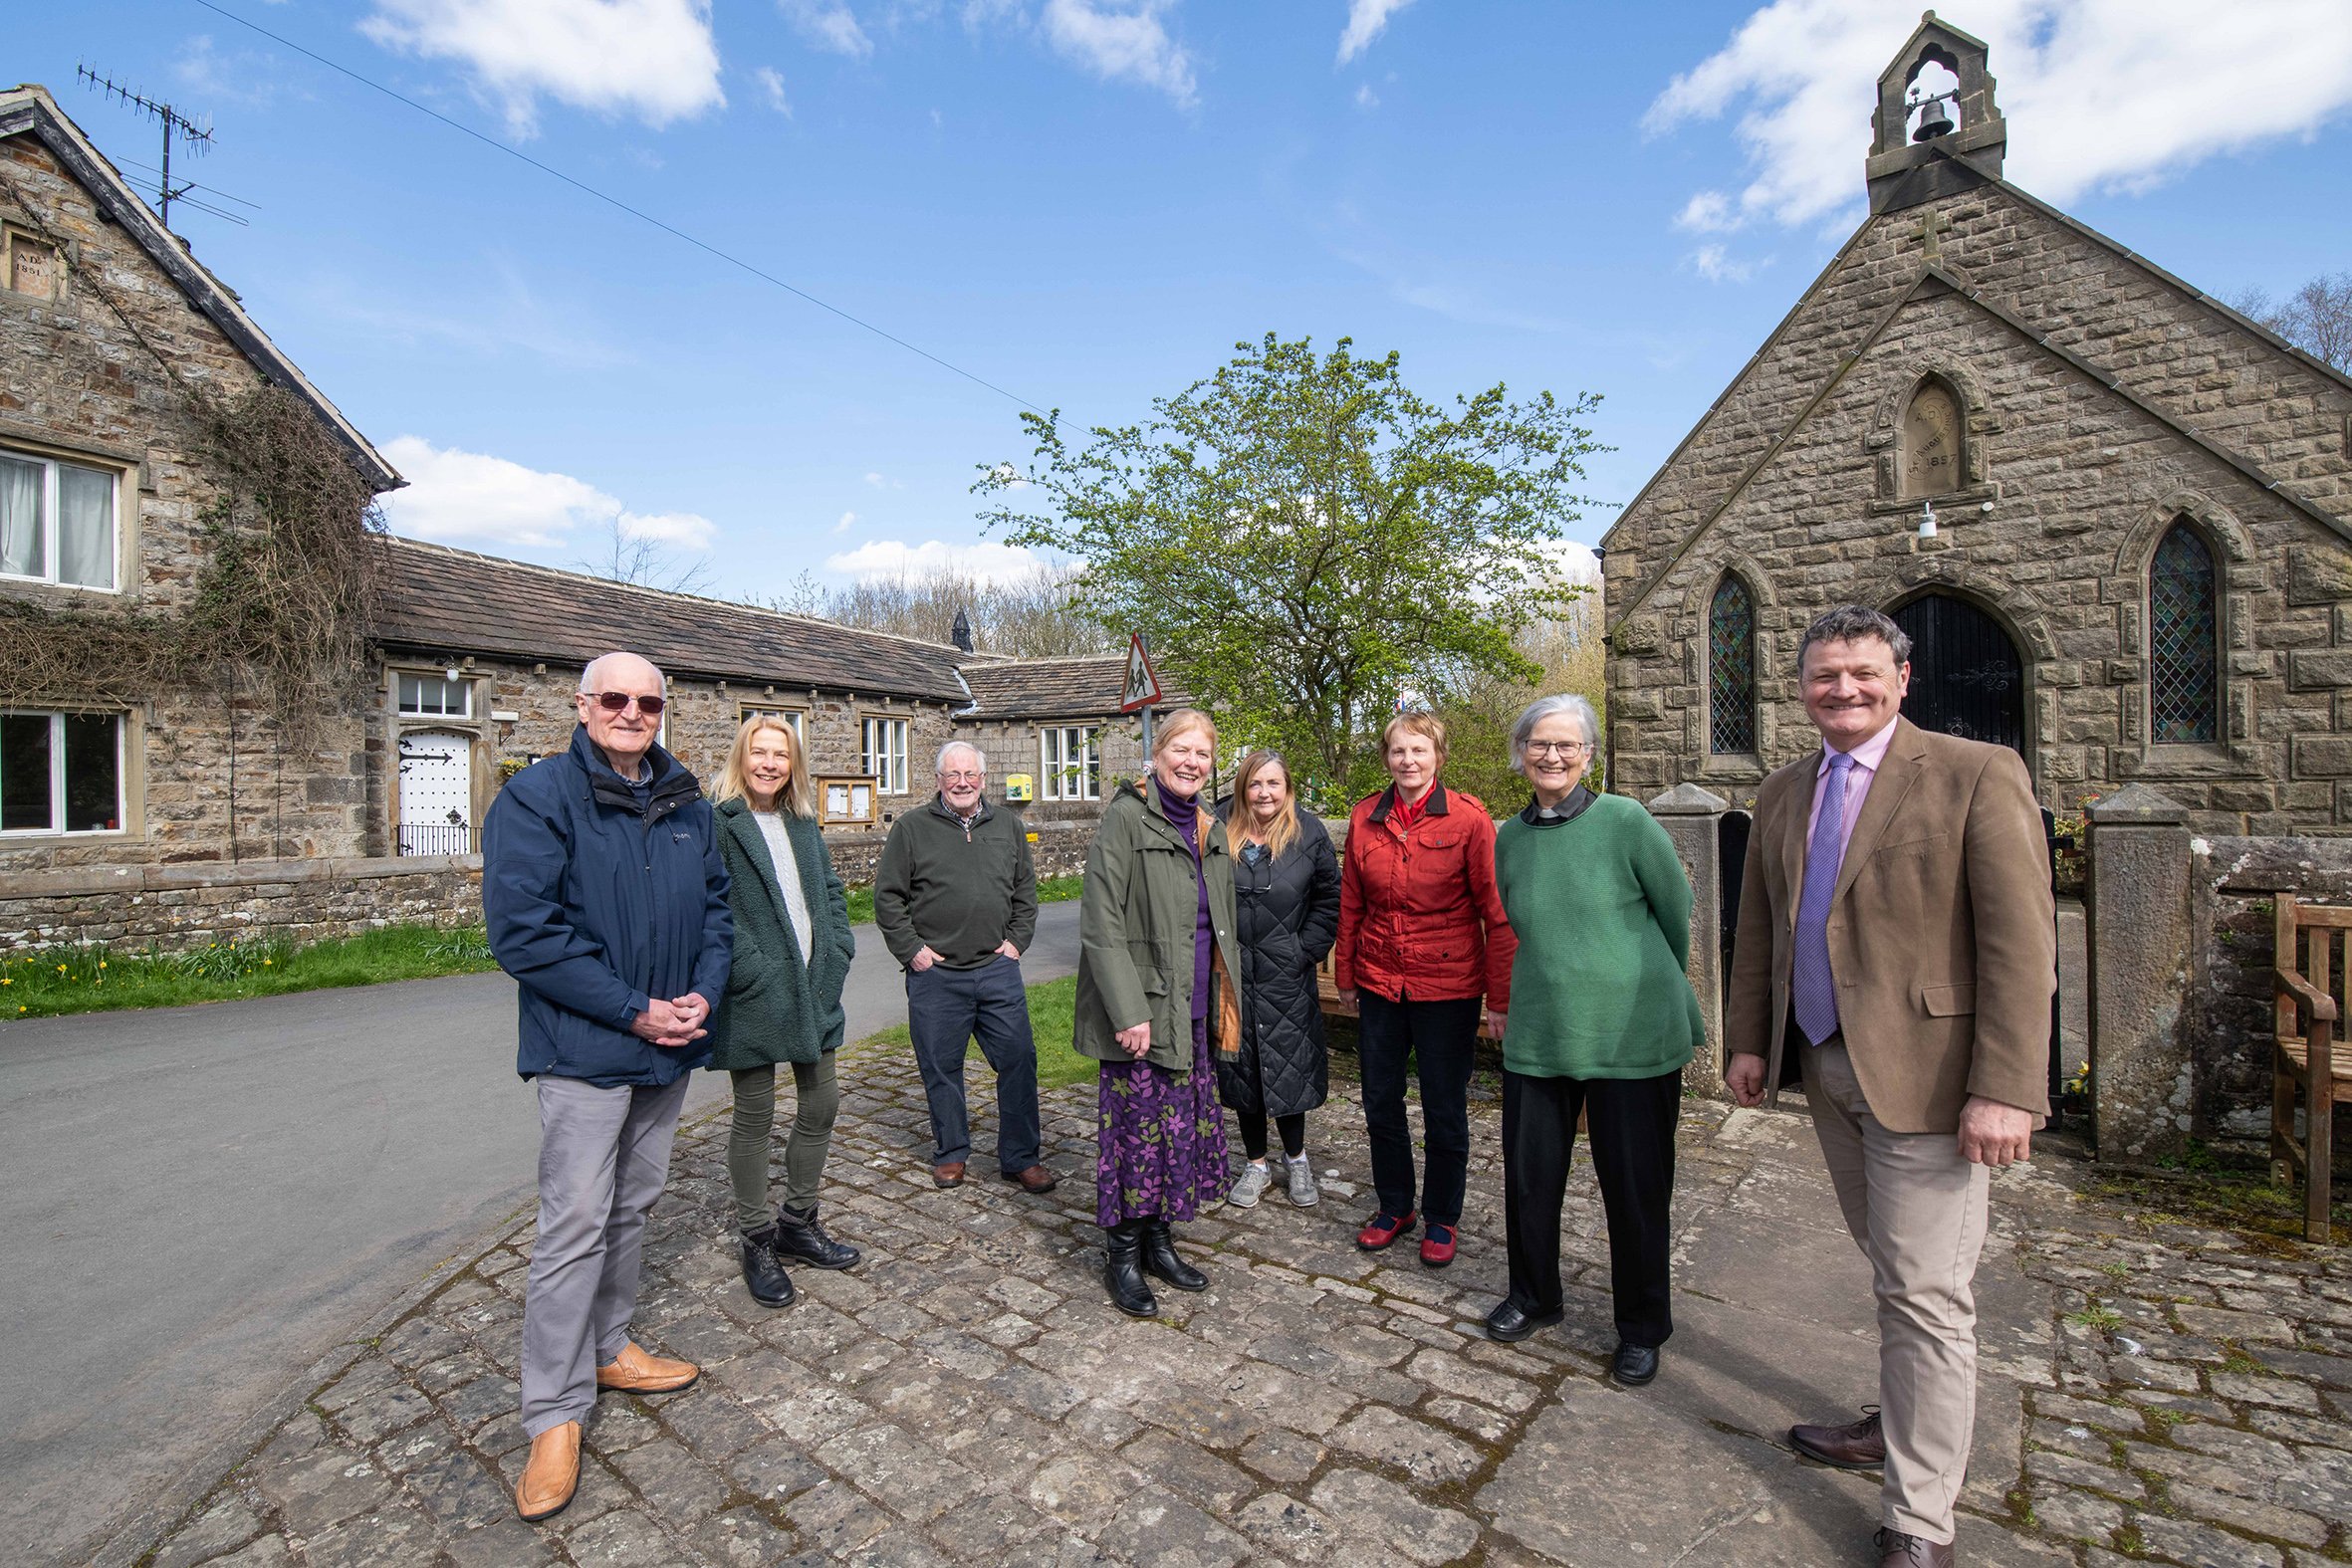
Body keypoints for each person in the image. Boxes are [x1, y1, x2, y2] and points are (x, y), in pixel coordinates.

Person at [1725, 605, 2055, 1568]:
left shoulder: (1974, 773)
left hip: (1932, 1080)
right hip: (1828, 1069)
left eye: (1863, 674)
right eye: (1825, 676)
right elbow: (1763, 929)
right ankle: (1900, 1419)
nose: (1844, 691)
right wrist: (1753, 1043)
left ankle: (1920, 1519)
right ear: (1802, 686)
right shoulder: (1787, 789)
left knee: (1926, 1293)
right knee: (1895, 1270)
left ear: (1901, 678)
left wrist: (2005, 1087)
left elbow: (2020, 946)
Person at [482, 652, 732, 1524]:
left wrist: (704, 989)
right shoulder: (539, 796)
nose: (633, 711)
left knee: (633, 1206)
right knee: (574, 1222)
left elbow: (716, 911)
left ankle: (609, 1345)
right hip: (586, 1048)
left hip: (667, 1046)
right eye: (616, 698)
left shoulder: (684, 800)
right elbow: (524, 932)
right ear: (583, 705)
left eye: (649, 701)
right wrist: (634, 1011)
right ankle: (553, 1413)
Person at [1484, 694, 1703, 1390]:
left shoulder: (1625, 821)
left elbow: (1677, 912)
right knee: (1529, 1176)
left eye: (1566, 745)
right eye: (1539, 744)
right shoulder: (1507, 837)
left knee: (1636, 1189)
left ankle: (1641, 1327)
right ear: (1521, 752)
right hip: (1542, 1029)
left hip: (1630, 1033)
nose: (1551, 756)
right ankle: (1534, 1294)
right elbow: (1526, 923)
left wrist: (1636, 985)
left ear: (1588, 755)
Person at [1073, 708, 1242, 1316]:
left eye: (1202, 754)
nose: (1192, 763)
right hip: (1141, 1011)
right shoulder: (1124, 819)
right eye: (1181, 750)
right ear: (1157, 753)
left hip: (1192, 1006)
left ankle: (1160, 1242)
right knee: (1135, 1134)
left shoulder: (1208, 827)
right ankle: (1122, 1254)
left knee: (1176, 1133)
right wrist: (1128, 1008)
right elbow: (1101, 923)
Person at [1333, 712, 1516, 1268]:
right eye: (1397, 751)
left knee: (1443, 1106)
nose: (1407, 761)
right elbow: (1351, 903)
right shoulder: (1366, 816)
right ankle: (1395, 1206)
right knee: (1380, 1100)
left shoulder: (1468, 819)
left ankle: (1441, 1216)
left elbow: (1497, 914)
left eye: (1419, 750)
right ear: (1386, 757)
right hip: (1380, 984)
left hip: (1448, 988)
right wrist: (1345, 973)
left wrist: (1499, 999)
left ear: (1438, 755)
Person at [705, 714, 862, 1309]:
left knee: (822, 1102)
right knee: (755, 1114)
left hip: (814, 984)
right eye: (759, 752)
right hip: (754, 991)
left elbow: (828, 894)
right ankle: (757, 1238)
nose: (769, 763)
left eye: (781, 754)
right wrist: (753, 971)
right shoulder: (719, 822)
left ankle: (798, 1221)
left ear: (793, 763)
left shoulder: (801, 820)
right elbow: (710, 907)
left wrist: (838, 951)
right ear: (740, 757)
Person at [874, 742, 1057, 1193]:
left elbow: (1025, 894)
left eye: (970, 774)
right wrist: (912, 950)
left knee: (1018, 1060)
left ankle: (1020, 1157)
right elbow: (888, 898)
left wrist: (1016, 943)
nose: (962, 783)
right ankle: (951, 1153)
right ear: (938, 779)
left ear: (983, 779)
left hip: (997, 970)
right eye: (953, 775)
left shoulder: (1008, 826)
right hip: (936, 975)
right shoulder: (912, 828)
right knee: (941, 1067)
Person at [1216, 750, 1341, 1209]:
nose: (1264, 793)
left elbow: (1330, 897)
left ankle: (1297, 1157)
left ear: (1287, 788)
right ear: (1241, 788)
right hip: (1231, 975)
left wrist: (1303, 950)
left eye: (1273, 784)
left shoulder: (1308, 834)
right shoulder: (1217, 826)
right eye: (1255, 784)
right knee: (1244, 1069)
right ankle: (1255, 1163)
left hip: (1285, 974)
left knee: (1289, 1068)